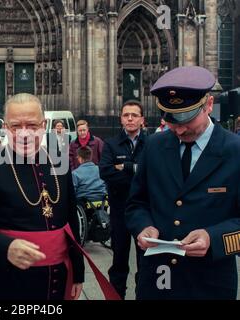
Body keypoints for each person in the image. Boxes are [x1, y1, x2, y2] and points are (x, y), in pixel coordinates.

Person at [125, 66, 240, 300]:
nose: (178, 128)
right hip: (157, 279)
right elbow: (136, 203)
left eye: (186, 118)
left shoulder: (234, 151)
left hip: (210, 283)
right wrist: (142, 226)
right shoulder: (155, 147)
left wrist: (213, 238)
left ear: (208, 105)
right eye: (170, 119)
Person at [0, 93, 85, 300]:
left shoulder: (59, 163)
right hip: (8, 281)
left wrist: (78, 273)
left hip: (59, 277)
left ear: (43, 126)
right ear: (6, 128)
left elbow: (71, 221)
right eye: (16, 126)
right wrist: (5, 247)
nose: (24, 133)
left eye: (32, 125)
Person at [99, 100, 146, 299]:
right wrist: (137, 171)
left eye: (134, 115)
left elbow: (153, 174)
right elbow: (105, 172)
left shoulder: (152, 143)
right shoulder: (111, 144)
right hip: (119, 210)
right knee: (119, 260)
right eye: (126, 115)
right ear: (121, 118)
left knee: (145, 262)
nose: (130, 118)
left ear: (142, 119)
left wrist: (125, 167)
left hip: (145, 211)